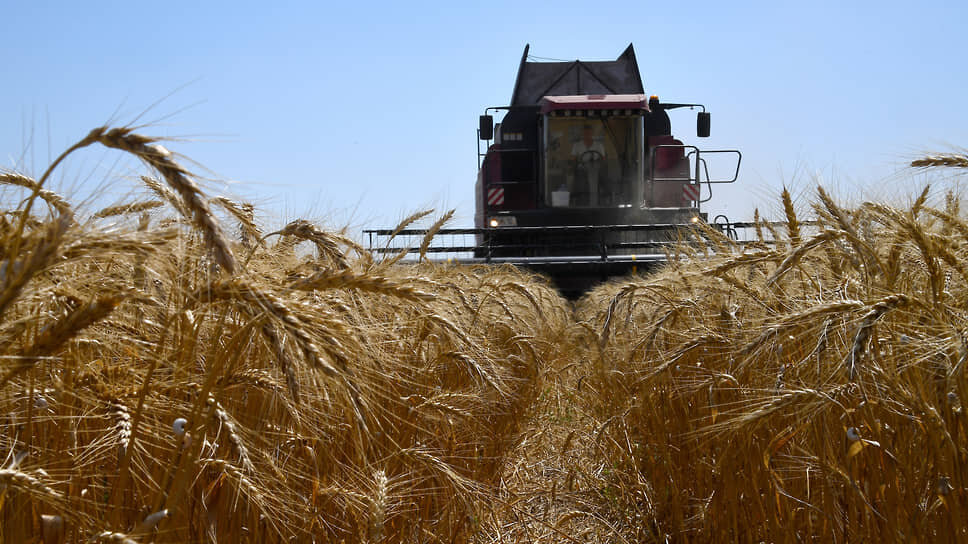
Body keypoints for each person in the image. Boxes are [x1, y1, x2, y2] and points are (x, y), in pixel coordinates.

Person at [570, 125, 606, 206]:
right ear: (582, 134)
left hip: (595, 168)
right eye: (585, 133)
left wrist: (597, 163)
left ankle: (594, 203)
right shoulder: (577, 145)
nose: (587, 135)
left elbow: (603, 158)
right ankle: (581, 201)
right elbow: (573, 159)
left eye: (589, 133)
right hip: (581, 168)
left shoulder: (599, 145)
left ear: (592, 133)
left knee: (595, 182)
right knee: (580, 183)